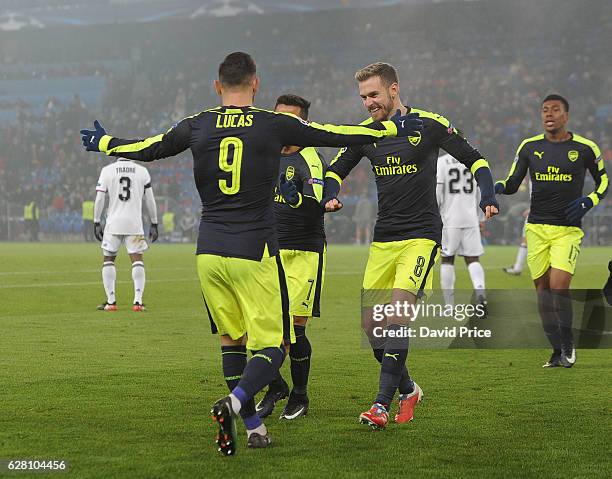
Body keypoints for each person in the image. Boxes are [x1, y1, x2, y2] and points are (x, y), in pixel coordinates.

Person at [79, 52, 423, 455]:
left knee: (230, 340)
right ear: (256, 84)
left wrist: (105, 142)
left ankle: (255, 428)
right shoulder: (271, 124)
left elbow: (150, 146)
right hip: (255, 250)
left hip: (208, 251)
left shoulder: (198, 123)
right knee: (277, 343)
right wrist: (386, 132)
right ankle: (237, 401)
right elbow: (335, 133)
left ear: (217, 86)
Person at [320, 62, 498, 429]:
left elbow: (475, 158)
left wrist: (488, 194)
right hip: (384, 238)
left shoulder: (429, 124)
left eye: (373, 94)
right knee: (373, 329)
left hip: (421, 235)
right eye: (363, 97)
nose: (368, 102)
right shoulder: (365, 133)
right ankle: (410, 388)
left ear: (394, 89)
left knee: (399, 316)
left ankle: (381, 404)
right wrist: (330, 195)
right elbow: (335, 170)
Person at [495, 94, 608, 368]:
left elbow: (603, 182)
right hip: (536, 228)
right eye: (545, 110)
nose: (549, 114)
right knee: (543, 293)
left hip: (567, 230)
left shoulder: (584, 148)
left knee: (559, 288)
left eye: (555, 110)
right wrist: (493, 188)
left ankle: (568, 344)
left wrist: (589, 200)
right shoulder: (529, 147)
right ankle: (556, 350)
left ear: (565, 116)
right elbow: (511, 183)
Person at [255, 94, 326, 421]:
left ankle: (299, 394)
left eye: (291, 120)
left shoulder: (311, 157)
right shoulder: (263, 155)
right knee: (260, 330)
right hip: (268, 251)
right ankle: (276, 385)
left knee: (293, 329)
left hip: (304, 251)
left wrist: (298, 198)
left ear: (303, 124)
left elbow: (320, 203)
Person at [93, 158, 159, 312]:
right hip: (134, 224)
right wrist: (154, 222)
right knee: (137, 259)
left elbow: (100, 198)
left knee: (108, 259)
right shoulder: (142, 171)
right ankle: (138, 302)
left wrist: (96, 221)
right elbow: (150, 199)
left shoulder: (107, 170)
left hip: (113, 224)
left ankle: (111, 302)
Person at [436, 153, 486, 311]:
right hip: (470, 218)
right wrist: (481, 217)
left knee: (447, 259)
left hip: (449, 219)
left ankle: (449, 305)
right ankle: (480, 293)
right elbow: (480, 190)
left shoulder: (442, 162)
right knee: (473, 259)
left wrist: (434, 215)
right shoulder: (474, 159)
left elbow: (438, 190)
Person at [503, 208, 529, 276]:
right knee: (525, 242)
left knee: (525, 242)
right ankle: (517, 267)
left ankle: (517, 268)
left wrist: (531, 209)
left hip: (537, 217)